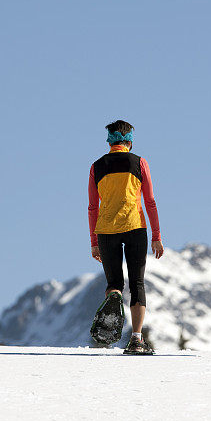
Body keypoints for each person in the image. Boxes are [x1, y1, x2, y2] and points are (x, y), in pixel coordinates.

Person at [88, 120, 164, 354]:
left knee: (114, 283)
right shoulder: (139, 162)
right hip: (135, 227)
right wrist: (157, 235)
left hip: (106, 229)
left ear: (109, 141)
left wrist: (93, 241)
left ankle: (114, 295)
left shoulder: (96, 166)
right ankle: (137, 339)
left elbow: (93, 207)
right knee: (137, 282)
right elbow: (150, 201)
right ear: (129, 140)